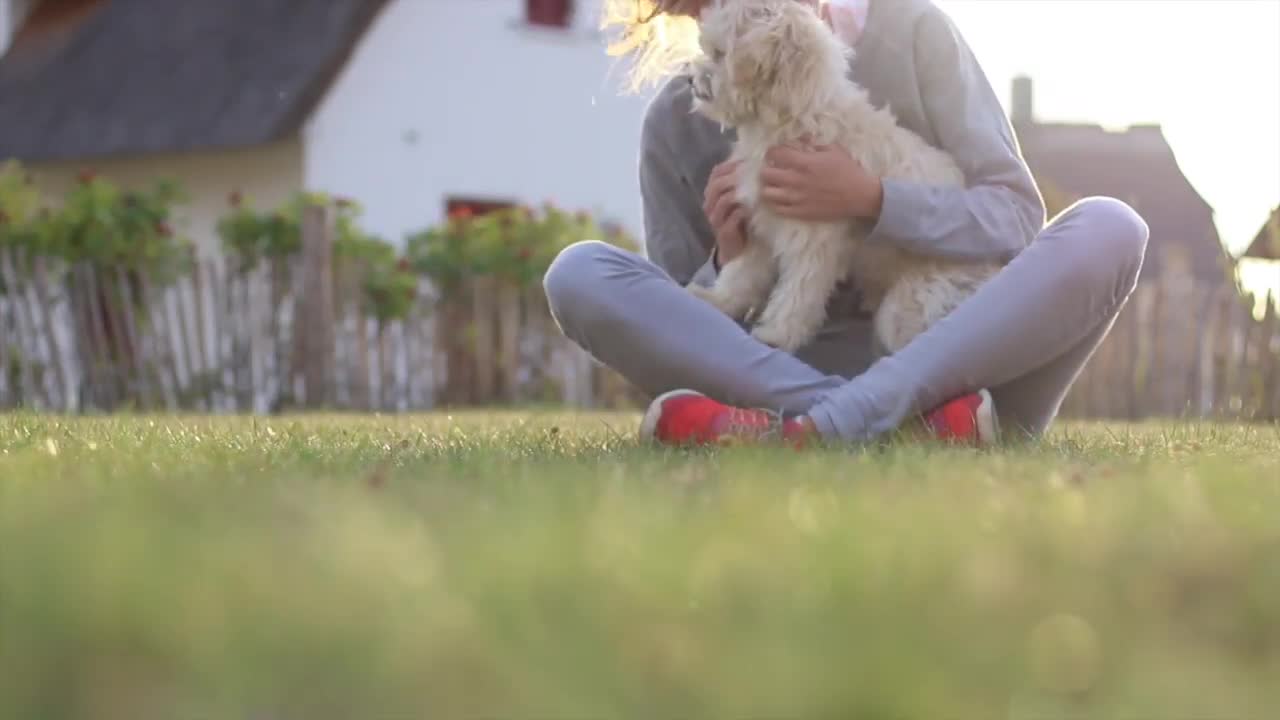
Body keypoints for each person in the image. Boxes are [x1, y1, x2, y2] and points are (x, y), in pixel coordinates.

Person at [543, 0, 1150, 447]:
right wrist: (726, 258)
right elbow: (681, 325)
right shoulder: (676, 120)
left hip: (965, 373)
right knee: (577, 273)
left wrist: (873, 199)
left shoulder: (914, 30)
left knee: (1113, 228)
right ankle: (885, 428)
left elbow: (1016, 215)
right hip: (785, 380)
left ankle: (808, 431)